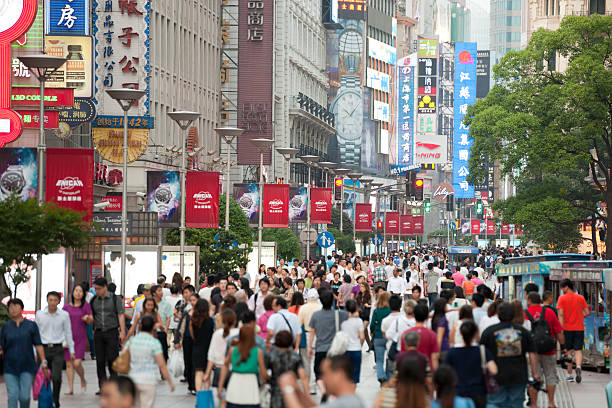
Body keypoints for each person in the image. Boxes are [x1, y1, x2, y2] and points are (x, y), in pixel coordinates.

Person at [480, 302, 539, 408]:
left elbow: (481, 353)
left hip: (496, 376)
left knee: (495, 403)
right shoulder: (523, 332)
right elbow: (532, 353)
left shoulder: (488, 332)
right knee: (516, 403)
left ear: (498, 313)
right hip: (518, 375)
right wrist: (534, 373)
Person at [0, 298, 46, 408]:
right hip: (9, 367)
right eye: (10, 307)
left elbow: (38, 344)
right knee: (12, 396)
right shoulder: (6, 327)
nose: (13, 309)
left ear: (21, 308)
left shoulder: (31, 326)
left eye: (16, 306)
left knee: (24, 397)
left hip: (27, 366)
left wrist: (43, 361)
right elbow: (1, 346)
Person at [524, 292, 564, 407]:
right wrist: (563, 348)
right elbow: (559, 332)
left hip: (532, 353)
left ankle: (534, 405)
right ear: (540, 300)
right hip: (549, 350)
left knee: (533, 377)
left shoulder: (525, 314)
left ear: (529, 301)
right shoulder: (550, 312)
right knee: (551, 376)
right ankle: (551, 403)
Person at [278, 354, 365, 408]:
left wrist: (288, 389)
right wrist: (297, 390)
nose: (322, 379)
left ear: (339, 374)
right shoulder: (352, 401)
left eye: (325, 374)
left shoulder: (346, 404)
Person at [125, 315, 175, 408]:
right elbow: (162, 364)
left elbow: (124, 357)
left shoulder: (132, 341)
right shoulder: (154, 343)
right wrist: (170, 382)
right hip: (149, 381)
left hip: (133, 380)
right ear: (153, 327)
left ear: (140, 327)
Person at [36, 291, 75, 407]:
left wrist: (72, 351)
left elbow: (68, 333)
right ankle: (43, 401)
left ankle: (55, 400)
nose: (52, 302)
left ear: (59, 301)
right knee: (43, 377)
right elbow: (36, 334)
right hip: (43, 349)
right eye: (50, 300)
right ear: (47, 300)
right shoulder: (40, 315)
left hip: (58, 349)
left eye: (55, 300)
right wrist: (34, 351)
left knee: (56, 377)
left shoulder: (64, 315)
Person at [445, 320, 497, 408]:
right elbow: (494, 370)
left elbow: (445, 373)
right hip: (478, 392)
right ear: (476, 333)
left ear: (461, 334)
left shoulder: (452, 352)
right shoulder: (482, 350)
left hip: (458, 392)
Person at [308, 289, 349, 397]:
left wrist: (309, 348)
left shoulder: (316, 315)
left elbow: (312, 333)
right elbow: (351, 314)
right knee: (335, 373)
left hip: (320, 348)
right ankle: (335, 395)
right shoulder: (340, 314)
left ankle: (323, 390)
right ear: (332, 301)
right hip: (335, 350)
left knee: (318, 373)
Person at [90, 277, 126, 393]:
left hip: (112, 331)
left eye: (99, 289)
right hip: (99, 332)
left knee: (112, 359)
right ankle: (103, 386)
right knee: (100, 361)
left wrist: (123, 332)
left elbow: (121, 315)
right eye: (95, 289)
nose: (97, 291)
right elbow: (93, 316)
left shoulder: (115, 299)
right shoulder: (94, 300)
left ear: (105, 287)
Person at [218, 326, 268, 407]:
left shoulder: (233, 350)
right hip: (251, 386)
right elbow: (263, 373)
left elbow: (225, 366)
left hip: (235, 384)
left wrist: (220, 386)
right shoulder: (258, 352)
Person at [557, 278, 589, 383]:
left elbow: (560, 314)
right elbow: (587, 312)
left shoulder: (561, 298)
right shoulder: (580, 298)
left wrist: (560, 329)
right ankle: (578, 366)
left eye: (562, 287)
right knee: (578, 349)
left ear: (566, 287)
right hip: (579, 328)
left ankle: (569, 374)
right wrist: (580, 316)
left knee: (568, 351)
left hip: (567, 328)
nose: (561, 290)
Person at [63, 284, 93, 394]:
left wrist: (88, 318)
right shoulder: (66, 307)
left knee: (77, 363)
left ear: (84, 294)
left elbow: (91, 320)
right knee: (69, 364)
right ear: (73, 292)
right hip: (68, 338)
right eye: (76, 290)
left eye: (80, 291)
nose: (78, 293)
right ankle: (70, 388)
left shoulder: (86, 306)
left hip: (80, 337)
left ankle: (82, 379)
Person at [267, 330, 309, 408]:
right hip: (292, 393)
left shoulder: (272, 357)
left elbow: (265, 373)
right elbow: (303, 377)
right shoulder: (296, 357)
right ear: (290, 341)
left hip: (276, 394)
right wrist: (307, 396)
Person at [204, 309, 239, 394]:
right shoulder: (239, 333)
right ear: (235, 321)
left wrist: (207, 373)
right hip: (235, 370)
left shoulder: (217, 334)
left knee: (220, 399)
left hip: (219, 370)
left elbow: (211, 355)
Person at [401, 303, 440, 371]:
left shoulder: (406, 334)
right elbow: (434, 357)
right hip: (426, 371)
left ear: (414, 315)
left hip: (410, 372)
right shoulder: (432, 335)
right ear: (427, 316)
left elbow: (402, 356)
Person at [173, 291, 199, 394]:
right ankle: (190, 382)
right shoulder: (187, 313)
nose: (192, 302)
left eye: (194, 300)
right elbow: (181, 327)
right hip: (187, 339)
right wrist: (177, 340)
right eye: (191, 300)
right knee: (187, 361)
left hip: (197, 340)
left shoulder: (202, 313)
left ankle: (194, 385)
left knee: (194, 362)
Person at [298, 288, 322, 391]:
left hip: (307, 335)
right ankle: (315, 385)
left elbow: (299, 324)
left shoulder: (303, 308)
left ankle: (308, 385)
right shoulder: (321, 307)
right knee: (316, 362)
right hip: (319, 337)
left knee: (306, 362)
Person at [190, 298, 215, 391]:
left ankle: (199, 395)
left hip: (197, 349)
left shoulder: (193, 320)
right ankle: (206, 393)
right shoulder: (210, 321)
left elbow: (192, 335)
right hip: (208, 349)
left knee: (198, 372)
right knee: (207, 373)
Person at [341, 299, 365, 383]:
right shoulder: (359, 321)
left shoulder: (342, 321)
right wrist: (360, 345)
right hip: (356, 350)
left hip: (345, 350)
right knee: (355, 377)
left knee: (346, 375)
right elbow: (362, 337)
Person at [370, 291, 391, 384]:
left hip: (378, 336)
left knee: (379, 360)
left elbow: (372, 324)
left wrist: (371, 331)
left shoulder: (376, 311)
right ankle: (387, 376)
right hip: (389, 337)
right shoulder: (390, 311)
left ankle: (380, 376)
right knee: (389, 358)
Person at [355, 280, 373, 351]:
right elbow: (356, 304)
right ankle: (370, 346)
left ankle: (358, 348)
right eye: (360, 286)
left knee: (361, 330)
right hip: (360, 315)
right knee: (365, 332)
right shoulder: (358, 295)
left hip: (367, 315)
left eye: (363, 286)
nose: (361, 288)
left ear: (366, 287)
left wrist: (368, 305)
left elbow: (373, 305)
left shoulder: (369, 295)